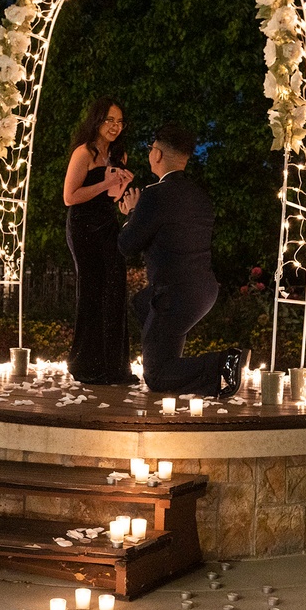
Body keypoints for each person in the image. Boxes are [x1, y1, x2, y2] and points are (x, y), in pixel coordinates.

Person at [117, 122, 249, 397]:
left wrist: (131, 212)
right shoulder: (200, 196)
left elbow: (126, 245)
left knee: (156, 375)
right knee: (142, 304)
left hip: (175, 295)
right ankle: (166, 351)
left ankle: (223, 362)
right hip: (203, 291)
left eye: (151, 148)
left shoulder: (154, 195)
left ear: (157, 155)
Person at [63, 97, 136, 385]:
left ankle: (115, 367)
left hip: (107, 224)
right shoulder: (84, 153)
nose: (115, 127)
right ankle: (87, 367)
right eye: (110, 120)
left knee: (116, 287)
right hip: (82, 228)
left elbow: (112, 199)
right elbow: (70, 197)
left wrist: (122, 186)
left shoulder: (120, 155)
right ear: (97, 121)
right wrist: (106, 182)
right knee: (92, 290)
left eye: (119, 122)